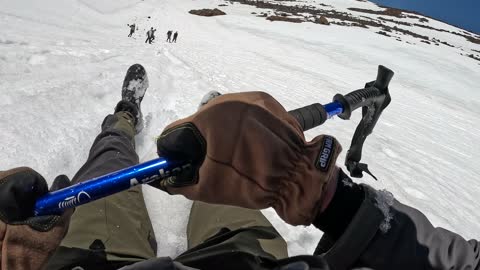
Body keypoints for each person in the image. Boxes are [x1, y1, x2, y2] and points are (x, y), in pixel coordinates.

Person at [1, 65, 479, 270]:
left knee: (108, 172)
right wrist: (323, 196)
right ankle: (127, 117)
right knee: (231, 209)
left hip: (91, 263)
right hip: (242, 263)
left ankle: (122, 120)